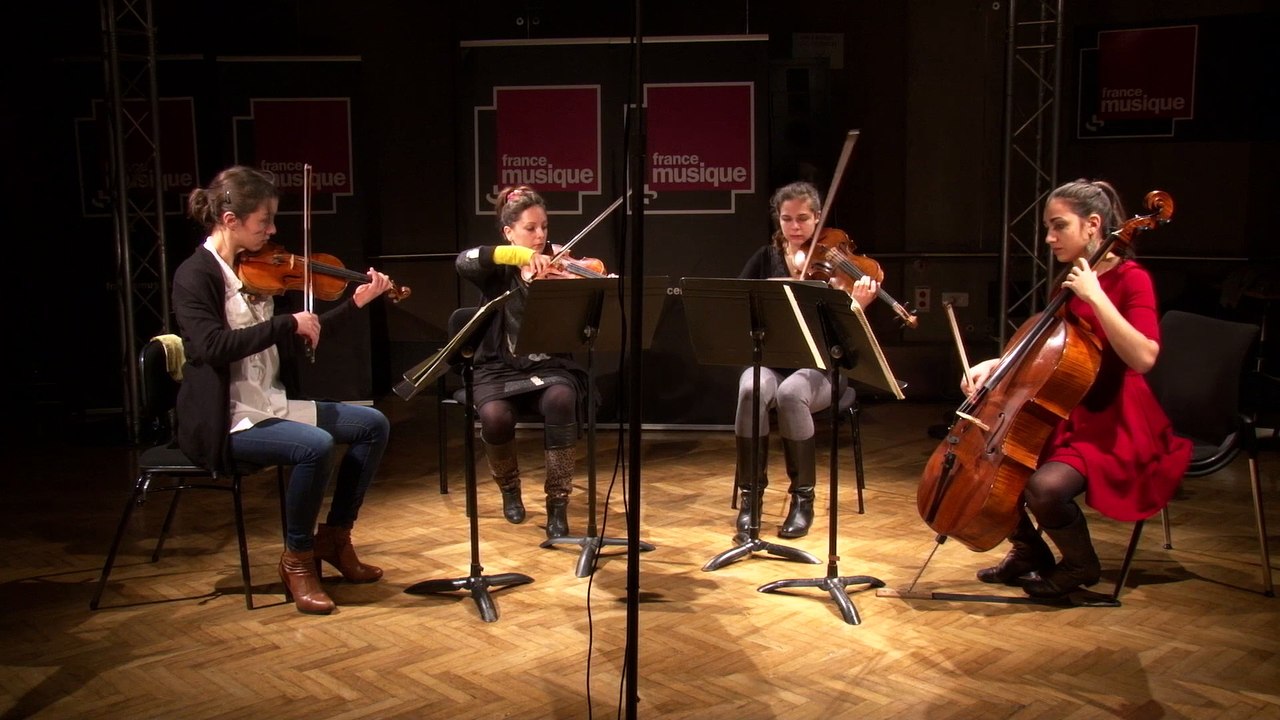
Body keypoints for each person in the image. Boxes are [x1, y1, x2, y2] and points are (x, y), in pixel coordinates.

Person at [172, 165, 393, 615]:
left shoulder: (255, 273)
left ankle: (333, 539)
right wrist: (283, 322)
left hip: (267, 405)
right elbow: (212, 347)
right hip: (226, 420)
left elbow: (298, 334)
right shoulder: (195, 276)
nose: (272, 231)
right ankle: (297, 559)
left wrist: (355, 304)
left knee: (373, 424)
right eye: (263, 223)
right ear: (230, 221)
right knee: (316, 446)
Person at [962, 179, 1192, 598]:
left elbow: (1144, 357)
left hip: (1116, 416)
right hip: (1069, 405)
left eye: (1058, 226)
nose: (1049, 238)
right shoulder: (1069, 279)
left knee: (1044, 488)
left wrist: (1097, 296)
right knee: (994, 467)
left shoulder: (1130, 279)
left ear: (1092, 225)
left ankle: (1080, 565)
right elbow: (1052, 350)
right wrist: (996, 364)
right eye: (1048, 228)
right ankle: (1029, 550)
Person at [731, 181, 878, 539]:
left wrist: (857, 306)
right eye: (787, 219)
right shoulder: (765, 258)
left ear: (817, 219)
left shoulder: (839, 264)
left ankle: (802, 501)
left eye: (802, 219)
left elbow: (850, 341)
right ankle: (752, 499)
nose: (795, 227)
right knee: (751, 388)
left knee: (791, 392)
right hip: (774, 360)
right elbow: (735, 303)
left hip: (825, 368)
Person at [456, 185, 587, 540]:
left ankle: (557, 503)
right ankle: (509, 489)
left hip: (549, 366)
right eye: (530, 228)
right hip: (498, 367)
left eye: (544, 226)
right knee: (495, 417)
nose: (540, 235)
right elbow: (464, 260)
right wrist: (514, 257)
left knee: (562, 398)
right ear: (508, 233)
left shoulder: (560, 265)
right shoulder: (496, 269)